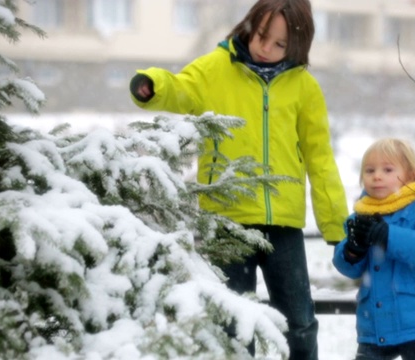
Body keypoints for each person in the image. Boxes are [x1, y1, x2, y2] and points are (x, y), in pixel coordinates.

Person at [129, 0, 348, 359]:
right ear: (250, 25)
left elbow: (320, 159)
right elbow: (181, 87)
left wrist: (335, 224)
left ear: (297, 47)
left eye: (280, 44)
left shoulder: (304, 88)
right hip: (225, 221)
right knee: (230, 322)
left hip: (283, 223)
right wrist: (153, 85)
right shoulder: (216, 68)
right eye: (263, 36)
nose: (266, 48)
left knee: (299, 321)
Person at [332, 138, 415, 360]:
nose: (377, 176)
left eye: (387, 169)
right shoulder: (362, 215)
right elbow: (349, 268)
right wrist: (353, 250)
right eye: (369, 170)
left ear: (410, 175)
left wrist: (386, 235)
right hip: (376, 324)